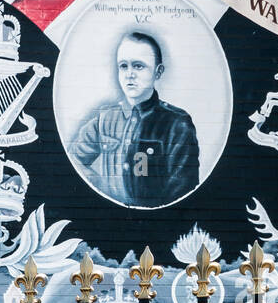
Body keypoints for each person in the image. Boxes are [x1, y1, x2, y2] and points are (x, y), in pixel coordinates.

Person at [70, 31, 199, 207]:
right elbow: (73, 161)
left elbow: (182, 190)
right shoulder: (105, 119)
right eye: (123, 66)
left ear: (158, 71)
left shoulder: (177, 124)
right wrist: (101, 189)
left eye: (138, 66)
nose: (129, 74)